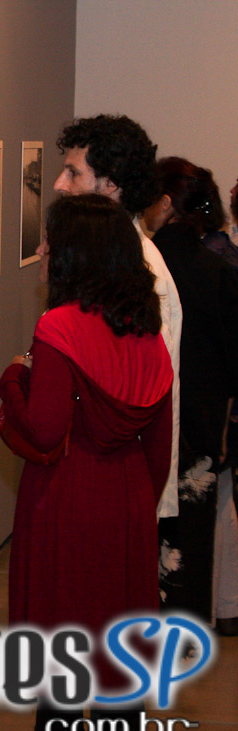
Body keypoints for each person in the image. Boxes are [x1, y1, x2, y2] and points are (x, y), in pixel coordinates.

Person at [0, 194, 173, 731]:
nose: (42, 250)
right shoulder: (149, 336)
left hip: (65, 502)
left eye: (51, 240)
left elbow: (45, 430)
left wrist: (13, 380)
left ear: (76, 254)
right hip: (126, 502)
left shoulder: (58, 328)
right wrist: (136, 504)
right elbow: (160, 451)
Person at [54, 115, 182, 523]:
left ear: (111, 185)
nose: (59, 184)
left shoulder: (141, 271)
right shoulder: (107, 259)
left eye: (74, 173)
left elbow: (145, 396)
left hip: (114, 484)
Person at [144, 158, 238, 635]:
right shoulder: (217, 271)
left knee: (145, 529)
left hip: (148, 413)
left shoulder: (142, 263)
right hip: (201, 417)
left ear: (162, 203)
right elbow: (231, 362)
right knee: (193, 530)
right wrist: (221, 427)